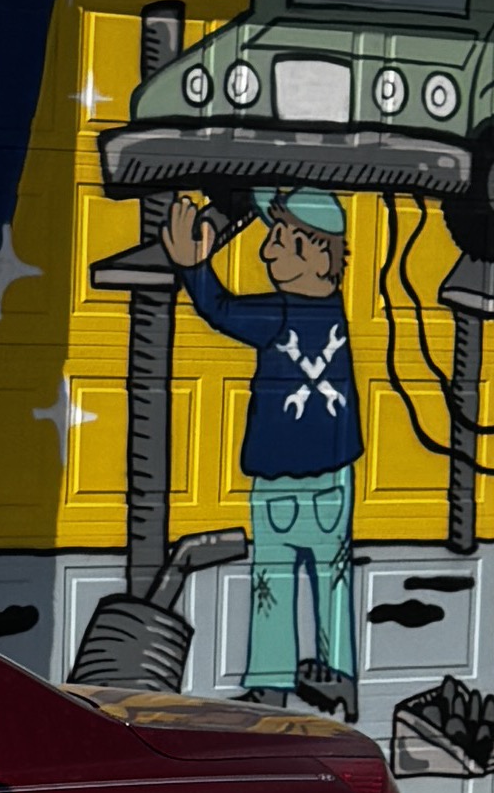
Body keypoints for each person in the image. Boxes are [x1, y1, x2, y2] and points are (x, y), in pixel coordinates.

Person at [155, 184, 365, 705]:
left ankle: (274, 683)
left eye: (282, 239)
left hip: (283, 478)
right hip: (325, 477)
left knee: (275, 579)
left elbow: (222, 309)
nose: (266, 250)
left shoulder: (282, 316)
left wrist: (193, 267)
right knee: (325, 576)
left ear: (318, 254)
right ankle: (334, 675)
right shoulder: (329, 310)